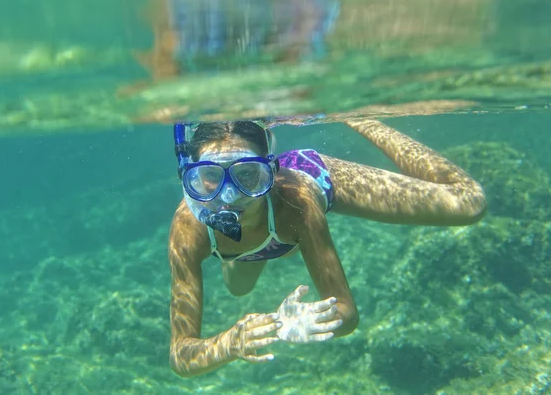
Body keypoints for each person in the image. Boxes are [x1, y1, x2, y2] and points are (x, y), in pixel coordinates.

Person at [168, 119, 487, 377]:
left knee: (468, 203)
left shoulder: (297, 204)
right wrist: (228, 345)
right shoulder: (188, 227)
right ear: (190, 176)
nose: (229, 196)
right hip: (259, 241)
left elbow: (347, 314)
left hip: (310, 179)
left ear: (271, 171)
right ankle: (242, 246)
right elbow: (180, 354)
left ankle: (361, 115)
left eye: (248, 175)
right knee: (238, 288)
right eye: (210, 176)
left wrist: (303, 322)